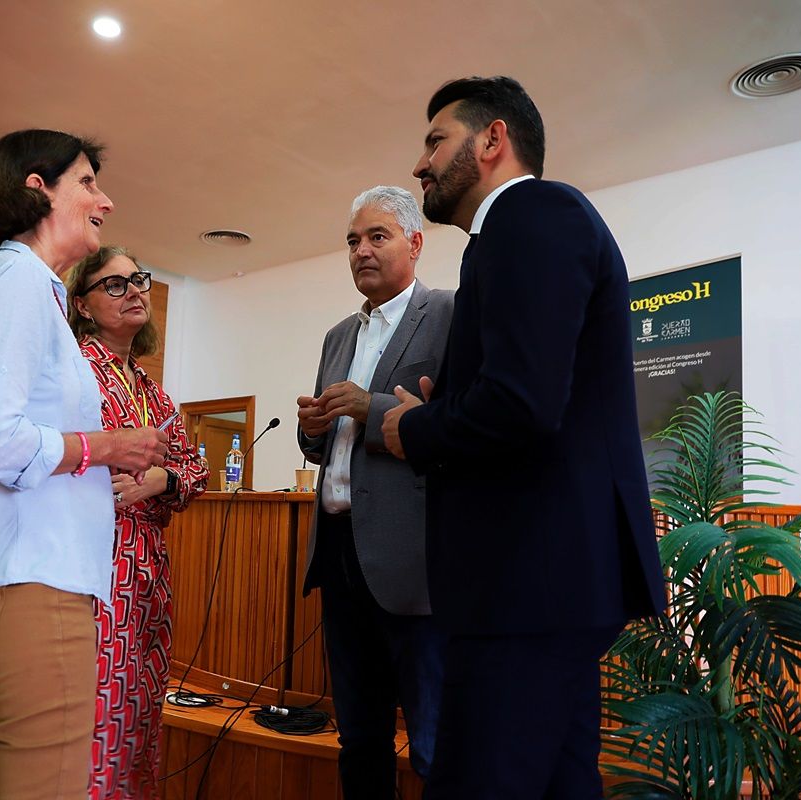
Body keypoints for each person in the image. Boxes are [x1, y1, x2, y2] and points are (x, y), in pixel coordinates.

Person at [381, 77, 667, 798]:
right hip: (548, 579)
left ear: (493, 140)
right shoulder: (511, 236)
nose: (419, 164)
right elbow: (528, 395)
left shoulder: (533, 212)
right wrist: (452, 406)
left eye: (435, 140)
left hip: (528, 579)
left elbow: (522, 404)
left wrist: (413, 427)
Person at [0, 129, 168, 800]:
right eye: (88, 182)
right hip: (31, 583)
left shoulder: (11, 284)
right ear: (38, 187)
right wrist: (105, 447)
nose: (105, 200)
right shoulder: (19, 283)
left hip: (12, 581)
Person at [296, 185, 453, 798]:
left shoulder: (449, 315)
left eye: (377, 236)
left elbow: (456, 425)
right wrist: (314, 432)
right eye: (353, 241)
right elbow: (327, 448)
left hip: (413, 564)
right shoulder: (338, 336)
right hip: (338, 556)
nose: (361, 250)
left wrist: (373, 407)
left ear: (415, 243)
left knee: (434, 739)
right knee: (358, 736)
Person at [66, 246, 209, 799]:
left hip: (149, 563)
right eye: (114, 285)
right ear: (82, 304)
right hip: (93, 555)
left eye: (138, 281)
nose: (134, 293)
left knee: (145, 697)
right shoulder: (73, 372)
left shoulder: (153, 391)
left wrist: (163, 481)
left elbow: (194, 467)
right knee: (100, 696)